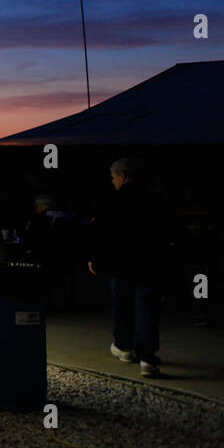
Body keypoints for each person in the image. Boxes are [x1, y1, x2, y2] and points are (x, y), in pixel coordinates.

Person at [89, 158, 166, 377]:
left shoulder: (110, 201)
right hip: (150, 263)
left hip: (119, 265)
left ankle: (124, 348)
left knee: (122, 306)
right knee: (147, 310)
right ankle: (148, 359)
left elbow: (99, 233)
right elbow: (170, 230)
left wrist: (94, 258)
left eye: (113, 177)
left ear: (121, 176)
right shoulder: (155, 200)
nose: (112, 181)